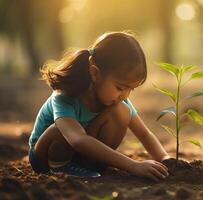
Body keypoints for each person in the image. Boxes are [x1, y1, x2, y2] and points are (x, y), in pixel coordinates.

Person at [28, 31, 171, 182]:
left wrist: (165, 158)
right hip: (44, 156)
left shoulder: (117, 100)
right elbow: (78, 140)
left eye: (131, 89)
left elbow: (144, 134)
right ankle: (60, 168)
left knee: (122, 112)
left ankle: (92, 165)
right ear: (95, 73)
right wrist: (133, 165)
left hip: (79, 155)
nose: (125, 95)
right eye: (120, 87)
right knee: (60, 130)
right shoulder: (65, 96)